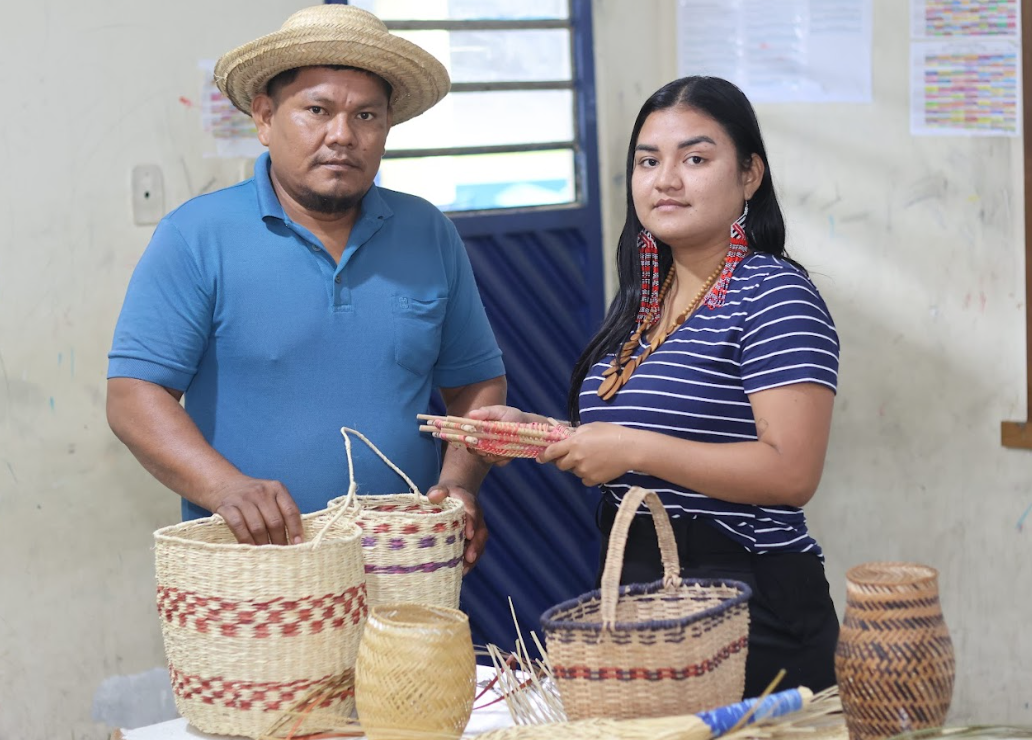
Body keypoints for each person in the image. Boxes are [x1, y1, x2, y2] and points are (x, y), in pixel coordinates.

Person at [469, 76, 839, 695]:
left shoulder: (774, 294)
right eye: (648, 161)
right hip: (643, 583)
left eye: (695, 158)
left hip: (751, 598)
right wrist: (548, 437)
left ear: (749, 175)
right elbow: (636, 441)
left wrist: (632, 449)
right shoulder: (646, 304)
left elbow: (791, 472)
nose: (666, 179)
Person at [106, 5, 506, 569]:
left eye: (366, 115)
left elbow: (476, 383)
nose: (342, 135)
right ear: (265, 118)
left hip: (405, 559)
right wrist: (226, 488)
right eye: (317, 110)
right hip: (254, 570)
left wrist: (460, 482)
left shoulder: (428, 232)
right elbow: (133, 398)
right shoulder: (196, 236)